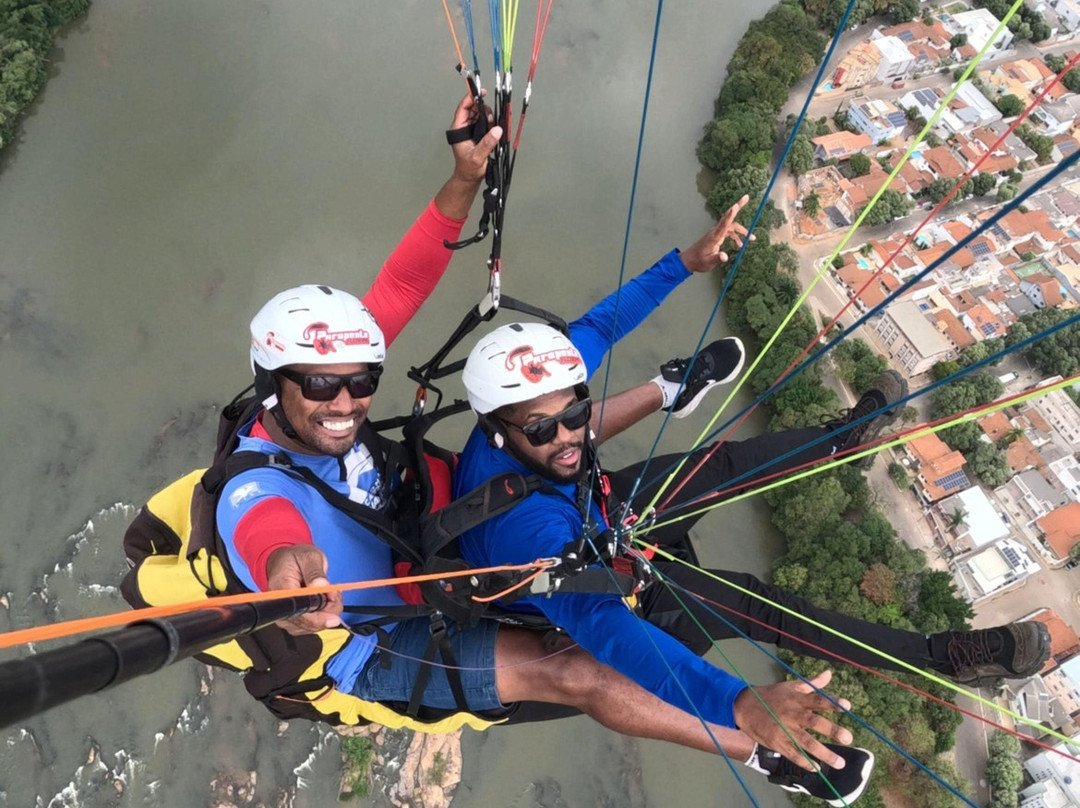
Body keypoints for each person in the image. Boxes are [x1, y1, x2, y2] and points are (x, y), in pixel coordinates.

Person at [216, 158, 883, 801]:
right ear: (271, 382)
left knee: (550, 423)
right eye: (324, 386)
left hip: (421, 540)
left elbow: (404, 284)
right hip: (373, 640)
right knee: (576, 672)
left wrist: (467, 178)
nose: (346, 401)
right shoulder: (256, 483)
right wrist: (286, 575)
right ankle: (771, 753)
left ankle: (668, 390)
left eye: (361, 381)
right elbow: (267, 530)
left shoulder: (327, 376)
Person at [453, 204, 1051, 796]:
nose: (567, 436)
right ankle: (938, 656)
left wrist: (684, 263)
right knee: (756, 603)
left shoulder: (541, 383)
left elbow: (602, 325)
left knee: (724, 464)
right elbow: (605, 629)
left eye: (576, 415)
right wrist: (736, 701)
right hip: (587, 580)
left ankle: (837, 440)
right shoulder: (521, 526)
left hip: (598, 515)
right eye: (541, 430)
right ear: (499, 431)